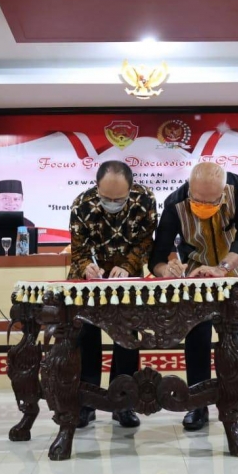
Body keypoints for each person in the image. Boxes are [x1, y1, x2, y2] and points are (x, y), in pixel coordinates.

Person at [149, 162, 238, 431]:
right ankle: (196, 403)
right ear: (189, 187)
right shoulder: (174, 203)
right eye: (198, 200)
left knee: (237, 335)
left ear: (222, 192)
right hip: (197, 270)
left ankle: (237, 398)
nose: (205, 206)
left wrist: (222, 268)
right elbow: (157, 257)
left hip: (233, 267)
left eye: (213, 201)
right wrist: (167, 270)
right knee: (197, 334)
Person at [69, 160, 157, 428]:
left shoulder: (145, 200)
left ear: (131, 188)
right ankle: (87, 402)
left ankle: (123, 402)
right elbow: (78, 250)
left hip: (127, 278)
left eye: (119, 198)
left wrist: (127, 266)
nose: (112, 202)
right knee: (85, 336)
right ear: (97, 186)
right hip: (89, 281)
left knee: (128, 337)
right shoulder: (81, 204)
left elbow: (146, 241)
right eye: (106, 197)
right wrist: (87, 267)